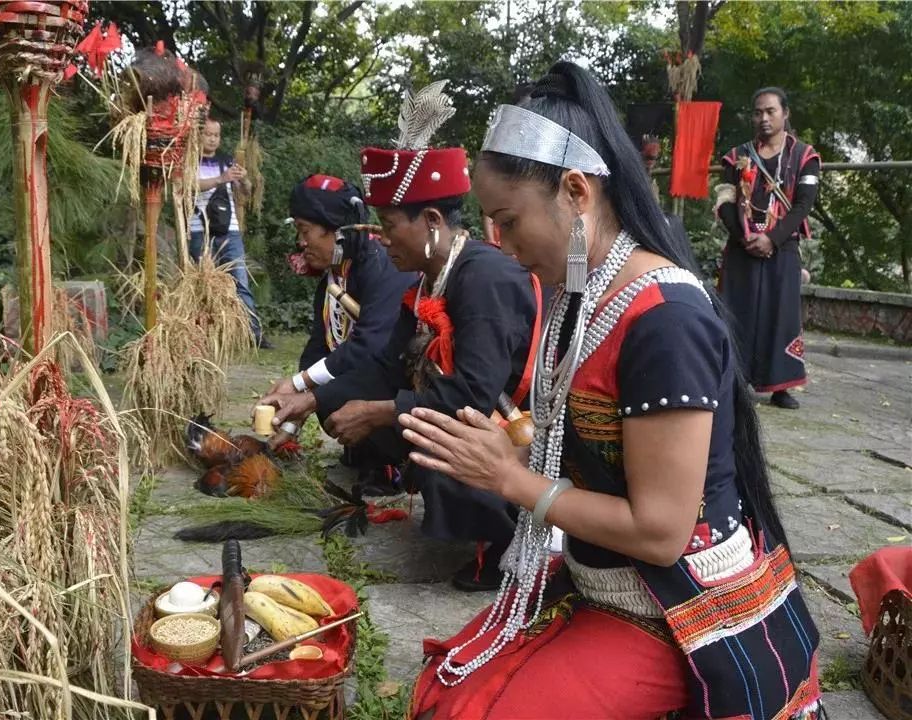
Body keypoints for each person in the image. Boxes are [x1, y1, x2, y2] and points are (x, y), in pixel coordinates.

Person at [399, 62, 821, 719]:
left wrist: (511, 480)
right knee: (447, 687)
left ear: (576, 191)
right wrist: (511, 443)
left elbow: (660, 533)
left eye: (507, 221)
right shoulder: (583, 295)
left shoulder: (664, 318)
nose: (499, 245)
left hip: (674, 603)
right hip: (603, 580)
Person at [272, 81, 542, 591]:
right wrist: (313, 397)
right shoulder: (427, 278)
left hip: (517, 423)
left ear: (433, 221)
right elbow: (387, 361)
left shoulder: (484, 278)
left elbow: (470, 396)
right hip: (470, 408)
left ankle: (504, 543)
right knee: (358, 394)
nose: (381, 237)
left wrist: (379, 411)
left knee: (441, 431)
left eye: (390, 224)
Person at [257, 174, 416, 492]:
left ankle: (393, 463)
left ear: (337, 230)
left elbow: (371, 348)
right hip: (365, 377)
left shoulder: (383, 267)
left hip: (400, 385)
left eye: (304, 230)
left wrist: (301, 385)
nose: (301, 243)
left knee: (335, 385)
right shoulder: (336, 275)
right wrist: (291, 413)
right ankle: (367, 452)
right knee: (319, 385)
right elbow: (318, 345)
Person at [717, 87, 821, 410]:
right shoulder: (737, 156)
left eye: (770, 111)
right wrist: (744, 237)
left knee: (782, 314)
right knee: (736, 313)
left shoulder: (805, 156)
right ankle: (733, 381)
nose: (763, 118)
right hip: (742, 246)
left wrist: (771, 239)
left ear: (785, 114)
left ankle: (781, 386)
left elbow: (803, 205)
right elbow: (724, 201)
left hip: (783, 247)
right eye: (758, 112)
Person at [190, 118, 271, 348]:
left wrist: (243, 179)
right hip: (198, 229)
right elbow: (187, 186)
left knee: (240, 280)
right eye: (208, 134)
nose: (213, 139)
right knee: (202, 284)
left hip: (229, 229)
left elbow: (243, 193)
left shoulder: (227, 160)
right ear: (198, 135)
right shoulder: (188, 161)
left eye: (217, 135)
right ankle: (204, 336)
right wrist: (221, 179)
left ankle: (253, 334)